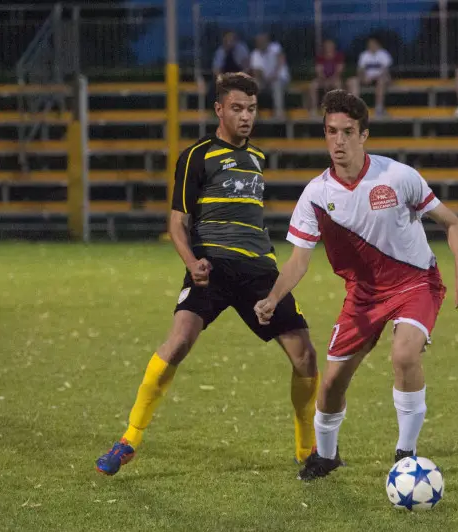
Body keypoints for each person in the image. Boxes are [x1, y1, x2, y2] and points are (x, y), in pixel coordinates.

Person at [253, 90, 458, 481]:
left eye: (347, 132)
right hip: (363, 296)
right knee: (330, 384)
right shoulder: (316, 194)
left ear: (364, 135)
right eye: (331, 132)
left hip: (415, 283)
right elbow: (298, 260)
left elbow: (453, 223)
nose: (338, 141)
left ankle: (406, 455)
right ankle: (326, 457)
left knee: (404, 355)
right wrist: (274, 298)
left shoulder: (396, 176)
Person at [95, 73, 319, 476]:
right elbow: (178, 221)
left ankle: (308, 453)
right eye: (237, 108)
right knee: (179, 341)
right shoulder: (196, 155)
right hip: (210, 267)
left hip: (258, 272)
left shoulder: (259, 159)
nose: (246, 116)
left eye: (251, 109)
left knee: (304, 355)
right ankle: (129, 439)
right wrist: (191, 262)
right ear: (219, 110)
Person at [348, 37, 393, 117]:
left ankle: (379, 108)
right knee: (352, 80)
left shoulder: (383, 54)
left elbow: (385, 71)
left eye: (373, 44)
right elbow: (360, 70)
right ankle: (355, 108)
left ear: (378, 44)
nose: (371, 46)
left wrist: (375, 77)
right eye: (370, 44)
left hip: (381, 78)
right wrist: (363, 77)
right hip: (367, 78)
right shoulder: (364, 55)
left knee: (381, 81)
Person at [250, 33, 291, 119]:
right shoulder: (255, 54)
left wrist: (272, 76)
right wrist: (264, 79)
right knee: (253, 86)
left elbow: (281, 61)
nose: (260, 43)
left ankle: (279, 113)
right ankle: (253, 113)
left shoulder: (275, 47)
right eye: (258, 41)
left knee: (276, 84)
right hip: (265, 80)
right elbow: (256, 71)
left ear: (267, 41)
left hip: (280, 78)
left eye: (262, 41)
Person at [309, 39, 345, 116]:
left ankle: (337, 108)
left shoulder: (338, 56)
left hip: (334, 78)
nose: (328, 48)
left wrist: (331, 80)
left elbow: (339, 72)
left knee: (338, 84)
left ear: (333, 47)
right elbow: (319, 71)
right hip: (322, 79)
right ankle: (314, 108)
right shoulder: (320, 57)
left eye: (330, 46)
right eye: (327, 46)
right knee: (313, 84)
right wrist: (325, 80)